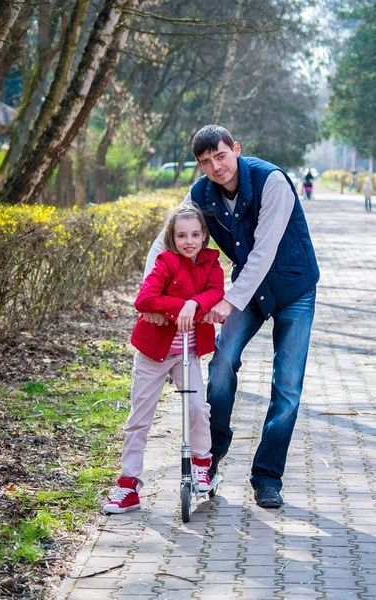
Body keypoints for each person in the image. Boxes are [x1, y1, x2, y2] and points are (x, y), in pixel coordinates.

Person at [144, 124, 319, 509]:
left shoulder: (272, 181)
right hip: (250, 290)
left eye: (221, 156)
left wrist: (227, 302)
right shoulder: (201, 194)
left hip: (294, 288)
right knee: (221, 363)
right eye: (206, 162)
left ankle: (267, 478)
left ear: (236, 149)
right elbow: (165, 242)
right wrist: (148, 298)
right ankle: (210, 457)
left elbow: (265, 248)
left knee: (287, 386)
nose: (216, 167)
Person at [103, 204, 225, 513]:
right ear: (171, 237)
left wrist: (193, 305)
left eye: (195, 234)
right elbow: (144, 299)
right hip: (154, 354)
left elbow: (216, 292)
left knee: (198, 408)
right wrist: (183, 306)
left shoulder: (211, 264)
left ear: (204, 236)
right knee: (139, 418)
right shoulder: (165, 262)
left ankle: (201, 464)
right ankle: (128, 486)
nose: (189, 241)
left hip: (189, 352)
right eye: (181, 235)